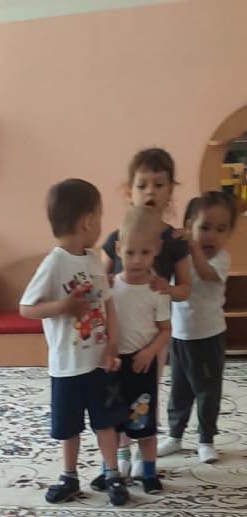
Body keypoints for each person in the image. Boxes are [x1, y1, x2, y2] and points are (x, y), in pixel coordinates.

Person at [20, 177, 126, 506]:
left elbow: (108, 304)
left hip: (98, 363)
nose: (101, 223)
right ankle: (70, 476)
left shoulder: (94, 259)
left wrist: (112, 345)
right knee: (69, 427)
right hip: (67, 367)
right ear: (88, 221)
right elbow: (26, 308)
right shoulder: (54, 263)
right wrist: (62, 307)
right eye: (100, 215)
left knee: (105, 422)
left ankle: (112, 474)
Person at [102, 147, 190, 479]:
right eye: (142, 185)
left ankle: (144, 449)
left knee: (144, 394)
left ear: (170, 191)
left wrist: (168, 289)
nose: (150, 191)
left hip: (153, 335)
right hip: (117, 332)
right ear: (130, 191)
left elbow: (186, 288)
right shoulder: (117, 237)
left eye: (158, 184)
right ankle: (122, 450)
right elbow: (99, 276)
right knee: (114, 393)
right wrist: (102, 281)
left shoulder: (173, 241)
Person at [91, 207, 171, 496]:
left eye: (145, 253)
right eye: (130, 252)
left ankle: (148, 471)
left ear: (157, 249)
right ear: (118, 249)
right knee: (110, 421)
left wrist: (150, 353)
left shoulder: (157, 290)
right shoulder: (110, 287)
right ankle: (111, 468)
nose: (137, 260)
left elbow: (166, 330)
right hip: (113, 364)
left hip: (142, 365)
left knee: (144, 424)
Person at [158, 191, 236, 464]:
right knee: (179, 390)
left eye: (221, 229)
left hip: (208, 337)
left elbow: (204, 273)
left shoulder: (221, 259)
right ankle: (175, 435)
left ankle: (206, 439)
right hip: (180, 336)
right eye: (205, 227)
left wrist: (192, 247)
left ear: (229, 234)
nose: (212, 236)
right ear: (190, 226)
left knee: (207, 391)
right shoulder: (182, 257)